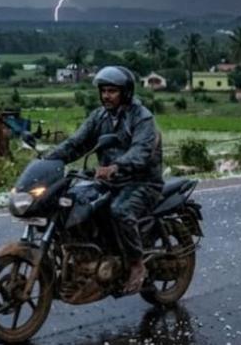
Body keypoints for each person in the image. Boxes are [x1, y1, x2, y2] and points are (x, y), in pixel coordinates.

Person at [45, 66, 163, 294]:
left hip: (142, 182)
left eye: (112, 91)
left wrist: (116, 166)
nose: (106, 96)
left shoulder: (142, 118)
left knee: (120, 211)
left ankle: (137, 265)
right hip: (110, 181)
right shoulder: (100, 116)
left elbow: (141, 152)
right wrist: (48, 159)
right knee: (74, 203)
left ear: (125, 93)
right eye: (104, 91)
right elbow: (77, 143)